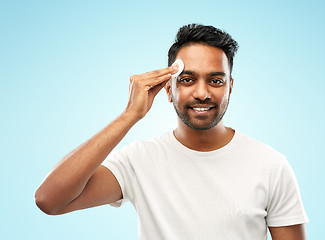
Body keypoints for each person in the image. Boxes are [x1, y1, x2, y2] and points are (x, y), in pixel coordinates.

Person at [35, 24, 309, 240]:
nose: (202, 93)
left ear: (230, 87)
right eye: (188, 80)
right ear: (168, 88)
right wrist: (130, 115)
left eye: (215, 80)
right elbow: (50, 201)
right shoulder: (138, 161)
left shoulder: (271, 165)